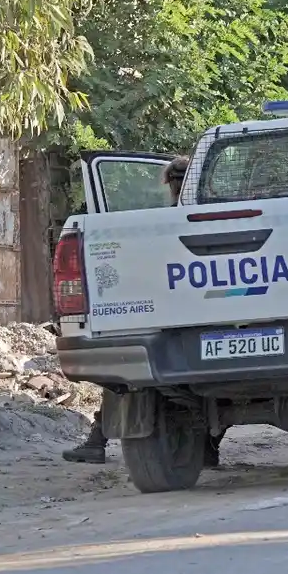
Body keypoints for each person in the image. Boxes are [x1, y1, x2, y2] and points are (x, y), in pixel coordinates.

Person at [64, 157, 227, 467]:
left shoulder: (158, 226)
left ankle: (97, 440)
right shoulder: (217, 219)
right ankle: (207, 446)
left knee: (129, 378)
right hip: (212, 317)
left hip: (171, 321)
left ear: (169, 185)